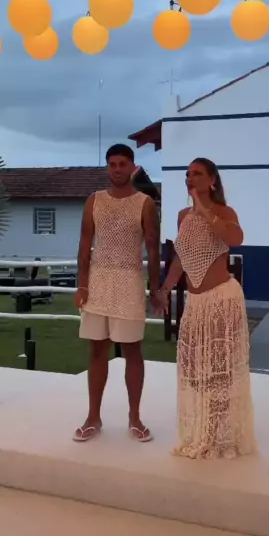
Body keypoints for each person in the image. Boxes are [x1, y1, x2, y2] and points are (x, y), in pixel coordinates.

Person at [158, 158, 256, 459]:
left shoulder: (224, 212)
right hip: (195, 302)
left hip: (221, 298)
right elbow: (181, 258)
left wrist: (204, 210)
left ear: (212, 180)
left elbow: (236, 239)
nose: (190, 178)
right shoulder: (182, 216)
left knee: (219, 369)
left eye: (197, 173)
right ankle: (205, 426)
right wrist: (164, 289)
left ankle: (218, 434)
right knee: (192, 367)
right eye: (187, 174)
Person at [73, 144, 161, 443]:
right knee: (97, 350)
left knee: (132, 351)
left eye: (123, 164)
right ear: (107, 167)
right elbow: (84, 245)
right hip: (98, 282)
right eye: (112, 164)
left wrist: (155, 289)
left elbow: (153, 250)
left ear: (132, 167)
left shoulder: (144, 203)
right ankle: (92, 417)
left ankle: (135, 417)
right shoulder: (94, 200)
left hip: (129, 282)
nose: (117, 169)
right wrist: (82, 285)